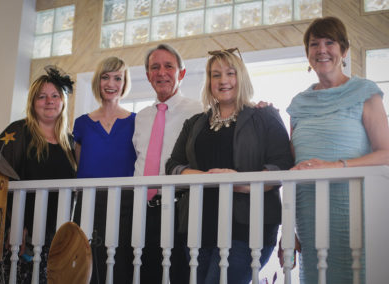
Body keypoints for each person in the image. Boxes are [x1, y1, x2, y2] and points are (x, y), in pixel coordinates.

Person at [165, 49, 293, 284]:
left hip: (248, 229)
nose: (223, 81)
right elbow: (173, 166)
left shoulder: (264, 116)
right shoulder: (194, 123)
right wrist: (209, 178)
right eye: (215, 75)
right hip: (198, 227)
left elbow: (282, 167)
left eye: (230, 73)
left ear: (241, 77)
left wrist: (238, 183)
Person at [286, 16, 389, 284]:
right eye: (314, 44)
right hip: (308, 213)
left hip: (356, 209)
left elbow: (386, 152)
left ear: (344, 50)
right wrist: (288, 228)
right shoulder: (298, 104)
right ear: (307, 53)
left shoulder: (365, 92)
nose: (321, 49)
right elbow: (292, 165)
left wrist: (335, 166)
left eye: (329, 42)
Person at [0, 66, 76, 284]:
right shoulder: (17, 133)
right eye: (42, 96)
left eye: (55, 95)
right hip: (20, 235)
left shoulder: (71, 142)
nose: (49, 101)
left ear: (63, 101)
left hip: (56, 235)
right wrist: (13, 226)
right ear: (32, 102)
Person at [132, 44, 203, 284]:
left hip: (179, 210)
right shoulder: (140, 117)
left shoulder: (199, 111)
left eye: (168, 66)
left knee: (180, 276)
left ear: (181, 73)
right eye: (155, 67)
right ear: (148, 75)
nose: (161, 72)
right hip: (141, 210)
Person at [72, 56, 136, 284]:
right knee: (90, 267)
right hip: (89, 204)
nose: (111, 83)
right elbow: (80, 165)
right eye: (105, 77)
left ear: (124, 82)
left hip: (126, 204)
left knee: (122, 266)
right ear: (97, 82)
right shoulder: (81, 124)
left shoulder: (136, 121)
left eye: (117, 78)